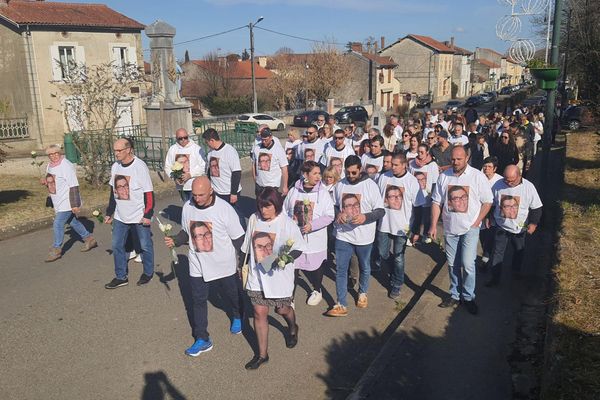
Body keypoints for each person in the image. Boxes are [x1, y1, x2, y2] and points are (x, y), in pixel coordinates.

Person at [165, 177, 245, 357]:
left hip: (224, 263)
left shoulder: (225, 210)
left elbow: (239, 238)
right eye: (194, 195)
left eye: (201, 195)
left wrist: (243, 262)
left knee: (232, 294)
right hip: (198, 263)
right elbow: (187, 231)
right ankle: (202, 338)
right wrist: (176, 240)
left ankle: (238, 315)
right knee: (198, 300)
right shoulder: (188, 206)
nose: (197, 199)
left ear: (211, 191)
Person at [241, 188, 306, 370]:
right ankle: (262, 355)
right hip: (257, 276)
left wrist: (285, 258)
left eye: (267, 206)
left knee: (281, 309)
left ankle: (292, 326)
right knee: (259, 313)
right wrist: (241, 266)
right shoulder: (254, 219)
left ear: (276, 205)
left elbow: (299, 247)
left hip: (279, 277)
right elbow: (246, 246)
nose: (263, 210)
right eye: (261, 206)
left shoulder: (287, 223)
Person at [429, 146, 493, 315]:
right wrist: (434, 225)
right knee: (452, 264)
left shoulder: (477, 176)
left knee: (467, 264)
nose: (455, 162)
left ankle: (469, 297)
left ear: (467, 158)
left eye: (459, 159)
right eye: (453, 159)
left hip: (470, 229)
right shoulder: (444, 177)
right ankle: (455, 295)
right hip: (450, 228)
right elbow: (437, 202)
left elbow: (488, 201)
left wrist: (477, 222)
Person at [326, 155, 384, 317]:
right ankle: (341, 303)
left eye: (354, 173)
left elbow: (380, 211)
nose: (350, 176)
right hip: (343, 235)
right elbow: (335, 206)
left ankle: (363, 292)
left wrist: (365, 217)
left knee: (365, 266)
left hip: (364, 236)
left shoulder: (370, 186)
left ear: (360, 170)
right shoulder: (340, 185)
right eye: (348, 172)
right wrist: (338, 214)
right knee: (341, 269)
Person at [104, 138, 155, 289]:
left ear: (128, 150)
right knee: (117, 245)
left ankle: (148, 272)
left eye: (119, 150)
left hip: (138, 215)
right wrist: (109, 212)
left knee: (145, 245)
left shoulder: (139, 166)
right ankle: (121, 276)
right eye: (114, 150)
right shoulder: (115, 167)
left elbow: (149, 193)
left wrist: (147, 214)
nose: (116, 153)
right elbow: (112, 192)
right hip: (120, 215)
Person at [284, 161, 335, 305]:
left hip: (314, 239)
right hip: (295, 238)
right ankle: (290, 297)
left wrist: (312, 226)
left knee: (315, 267)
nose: (319, 176)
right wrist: (290, 225)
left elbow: (329, 215)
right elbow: (285, 210)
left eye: (319, 173)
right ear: (305, 175)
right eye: (315, 173)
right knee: (293, 267)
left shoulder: (323, 193)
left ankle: (317, 289)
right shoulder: (294, 191)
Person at [486, 165, 542, 287]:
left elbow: (536, 207)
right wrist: (489, 217)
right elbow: (491, 203)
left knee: (518, 250)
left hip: (520, 226)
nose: (508, 182)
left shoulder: (528, 187)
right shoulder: (498, 185)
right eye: (506, 179)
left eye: (511, 180)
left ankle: (515, 271)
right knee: (498, 252)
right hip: (501, 225)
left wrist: (533, 223)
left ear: (519, 176)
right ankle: (495, 278)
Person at [43, 144, 97, 262]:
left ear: (60, 153)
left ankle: (56, 249)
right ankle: (89, 239)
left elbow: (73, 185)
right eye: (51, 154)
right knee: (72, 222)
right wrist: (45, 182)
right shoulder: (49, 166)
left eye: (56, 153)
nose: (54, 156)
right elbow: (52, 180)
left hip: (67, 201)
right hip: (58, 201)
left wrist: (75, 204)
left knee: (58, 223)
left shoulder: (65, 165)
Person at [375, 153, 419, 298]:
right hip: (384, 223)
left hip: (402, 226)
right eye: (391, 164)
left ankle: (397, 284)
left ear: (404, 164)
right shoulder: (383, 177)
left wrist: (416, 229)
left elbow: (418, 206)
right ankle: (395, 271)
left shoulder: (411, 181)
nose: (392, 167)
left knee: (399, 257)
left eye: (395, 165)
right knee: (383, 253)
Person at [164, 128, 206, 202]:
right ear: (176, 138)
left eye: (185, 137)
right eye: (180, 138)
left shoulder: (196, 149)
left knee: (195, 207)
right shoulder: (173, 149)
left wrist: (190, 174)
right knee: (186, 206)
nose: (183, 140)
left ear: (188, 136)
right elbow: (167, 166)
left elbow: (203, 166)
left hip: (194, 185)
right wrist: (174, 177)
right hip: (181, 186)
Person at [409, 143, 439, 243]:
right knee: (416, 216)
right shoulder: (412, 163)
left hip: (427, 195)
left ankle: (426, 234)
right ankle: (414, 233)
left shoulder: (432, 165)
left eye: (422, 152)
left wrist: (433, 196)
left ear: (427, 153)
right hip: (415, 196)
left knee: (426, 217)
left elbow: (435, 182)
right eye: (418, 152)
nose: (420, 154)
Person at [202, 129, 242, 205]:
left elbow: (236, 172)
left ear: (212, 140)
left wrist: (233, 193)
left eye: (207, 142)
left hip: (229, 192)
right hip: (216, 192)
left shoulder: (229, 151)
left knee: (234, 215)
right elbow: (209, 172)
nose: (207, 145)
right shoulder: (211, 153)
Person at [479, 156, 503, 269]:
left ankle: (486, 259)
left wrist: (490, 215)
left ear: (495, 169)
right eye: (485, 166)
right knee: (482, 237)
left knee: (490, 237)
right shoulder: (479, 178)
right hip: (480, 211)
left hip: (494, 212)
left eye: (489, 167)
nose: (486, 169)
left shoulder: (499, 181)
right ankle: (486, 254)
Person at [252, 128, 288, 196]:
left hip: (272, 186)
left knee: (270, 206)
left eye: (266, 139)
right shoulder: (257, 148)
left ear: (271, 137)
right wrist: (255, 179)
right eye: (262, 139)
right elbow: (254, 164)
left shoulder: (278, 150)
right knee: (259, 205)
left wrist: (285, 186)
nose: (264, 142)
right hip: (259, 185)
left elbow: (284, 169)